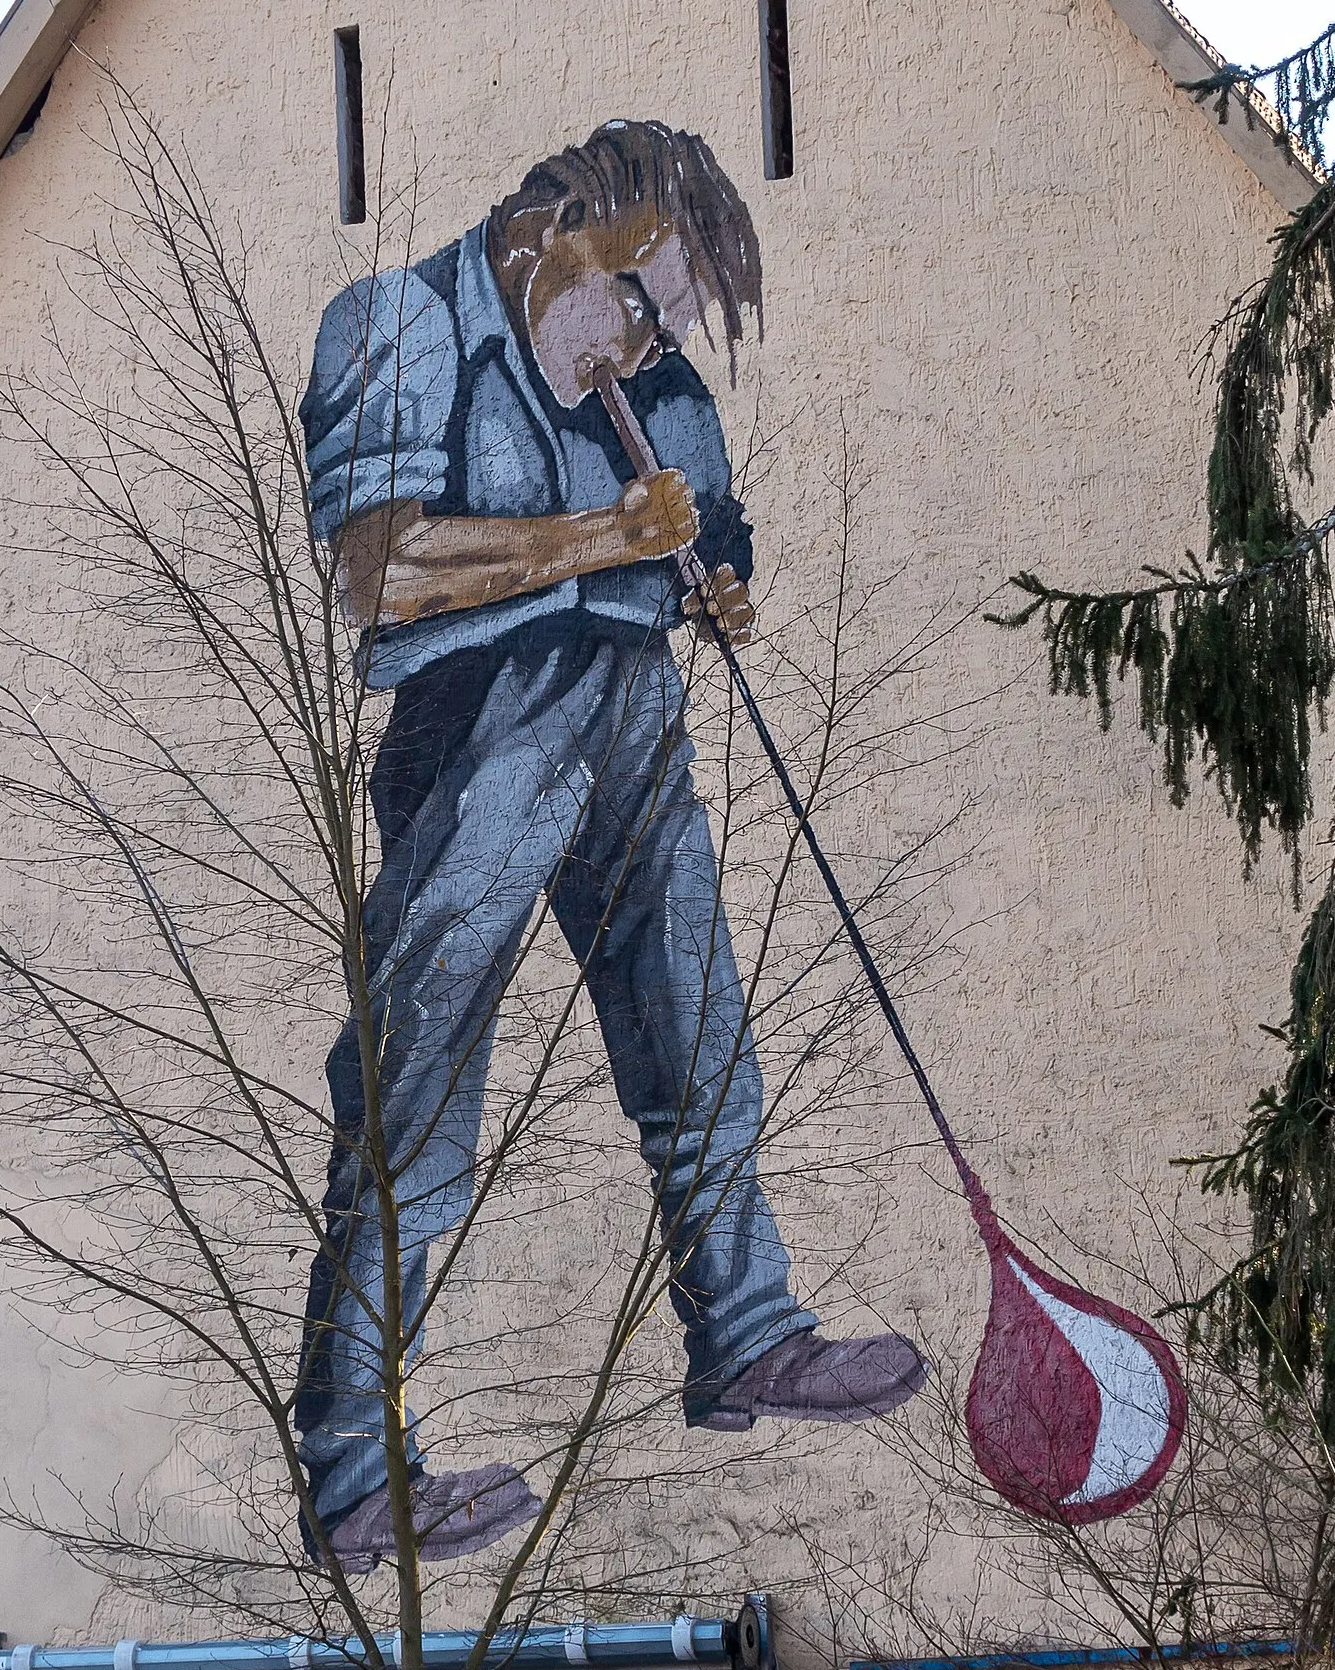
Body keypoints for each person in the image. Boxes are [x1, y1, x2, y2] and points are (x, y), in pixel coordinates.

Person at [295, 120, 924, 1571]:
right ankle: (349, 1469)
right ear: (554, 233)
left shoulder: (661, 390)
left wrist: (721, 582)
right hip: (486, 727)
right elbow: (378, 575)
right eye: (644, 304)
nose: (649, 350)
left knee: (696, 1030)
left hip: (635, 714)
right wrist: (599, 542)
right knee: (418, 1089)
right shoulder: (403, 325)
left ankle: (747, 1334)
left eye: (675, 328)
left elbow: (714, 533)